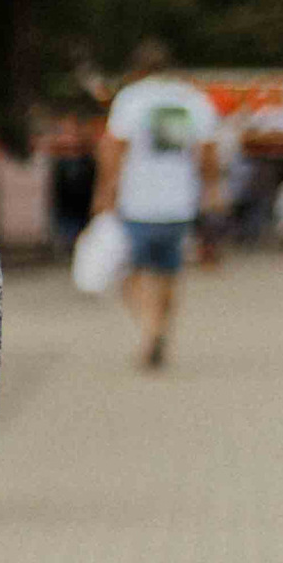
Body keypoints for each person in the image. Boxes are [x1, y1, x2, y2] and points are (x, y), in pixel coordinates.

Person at [92, 37, 220, 368]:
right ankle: (162, 329)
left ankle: (150, 330)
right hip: (180, 200)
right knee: (169, 272)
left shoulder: (131, 99)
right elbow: (207, 152)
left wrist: (105, 192)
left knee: (132, 271)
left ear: (139, 69)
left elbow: (113, 148)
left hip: (138, 199)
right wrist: (211, 190)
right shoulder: (194, 100)